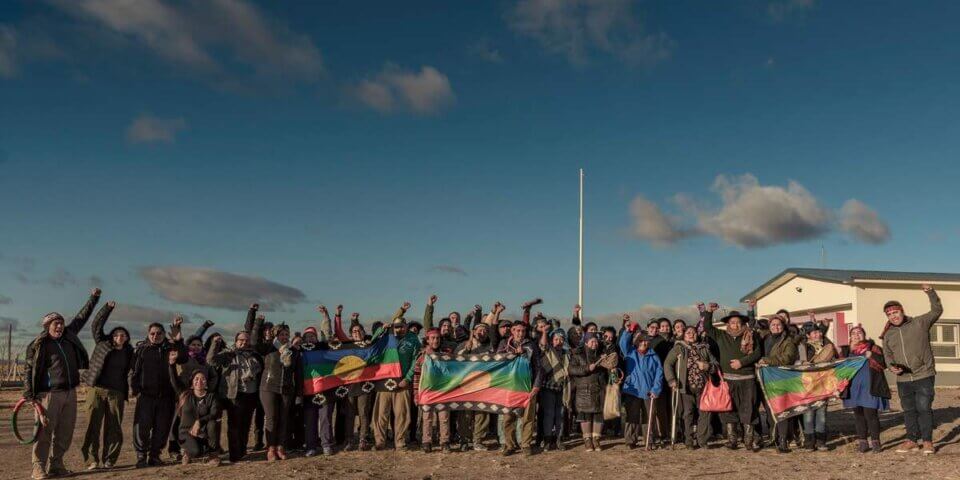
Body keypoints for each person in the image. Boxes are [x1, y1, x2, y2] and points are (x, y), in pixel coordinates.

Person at [24, 288, 100, 480]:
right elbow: (28, 370)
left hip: (70, 392)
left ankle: (56, 465)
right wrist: (29, 395)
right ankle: (38, 467)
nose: (59, 327)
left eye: (61, 323)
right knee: (43, 433)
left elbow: (82, 317)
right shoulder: (38, 345)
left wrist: (94, 298)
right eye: (56, 323)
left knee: (65, 433)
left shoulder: (69, 336)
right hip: (48, 395)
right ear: (47, 325)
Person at [880, 284, 942, 455]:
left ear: (901, 311)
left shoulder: (919, 323)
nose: (893, 316)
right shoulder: (888, 334)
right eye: (889, 314)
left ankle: (928, 442)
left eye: (895, 312)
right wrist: (893, 368)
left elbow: (937, 310)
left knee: (924, 408)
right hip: (903, 379)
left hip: (924, 374)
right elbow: (888, 355)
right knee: (909, 411)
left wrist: (930, 292)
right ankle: (912, 440)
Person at [81, 299, 132, 471]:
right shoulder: (102, 344)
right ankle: (92, 460)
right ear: (112, 336)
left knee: (114, 428)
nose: (119, 337)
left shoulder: (129, 352)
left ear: (127, 338)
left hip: (116, 393)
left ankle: (109, 459)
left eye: (123, 335)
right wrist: (107, 308)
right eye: (116, 334)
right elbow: (96, 325)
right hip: (96, 390)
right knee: (92, 426)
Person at [702, 304, 762, 451]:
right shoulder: (721, 335)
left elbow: (757, 353)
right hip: (728, 379)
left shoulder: (750, 335)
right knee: (728, 408)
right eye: (733, 322)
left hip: (747, 378)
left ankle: (748, 439)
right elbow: (708, 328)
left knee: (748, 408)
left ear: (743, 323)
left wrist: (742, 362)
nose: (736, 325)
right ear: (728, 324)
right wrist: (709, 312)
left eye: (738, 322)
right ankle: (732, 439)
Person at [130, 317, 187, 468]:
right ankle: (141, 456)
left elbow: (184, 358)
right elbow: (134, 372)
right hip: (146, 396)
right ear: (148, 334)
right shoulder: (142, 350)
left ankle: (155, 455)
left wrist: (179, 340)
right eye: (153, 333)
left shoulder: (170, 348)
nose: (156, 336)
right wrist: (135, 389)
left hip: (166, 396)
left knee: (162, 428)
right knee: (142, 427)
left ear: (164, 334)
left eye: (159, 333)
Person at [207, 317, 262, 464]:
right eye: (241, 340)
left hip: (251, 394)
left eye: (246, 340)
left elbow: (260, 369)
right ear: (236, 341)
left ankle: (242, 451)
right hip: (234, 395)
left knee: (246, 424)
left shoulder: (254, 355)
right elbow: (211, 361)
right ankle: (234, 455)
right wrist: (215, 344)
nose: (243, 342)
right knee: (234, 426)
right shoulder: (229, 354)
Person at [373, 302, 421, 451]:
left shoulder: (413, 339)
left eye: (402, 326)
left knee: (402, 414)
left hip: (402, 381)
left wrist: (407, 378)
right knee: (381, 413)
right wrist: (400, 312)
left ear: (406, 327)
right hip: (384, 382)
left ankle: (400, 441)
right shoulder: (386, 336)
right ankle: (380, 441)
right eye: (396, 326)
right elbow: (373, 339)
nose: (399, 329)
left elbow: (416, 360)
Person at [253, 318, 301, 461]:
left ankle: (281, 447)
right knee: (272, 418)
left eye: (287, 334)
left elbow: (298, 374)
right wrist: (257, 324)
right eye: (281, 334)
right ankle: (271, 448)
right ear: (276, 336)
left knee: (284, 419)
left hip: (286, 389)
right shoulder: (269, 347)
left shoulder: (293, 351)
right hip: (268, 387)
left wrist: (299, 394)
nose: (284, 337)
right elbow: (254, 342)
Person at [456, 304, 502, 451]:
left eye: (484, 330)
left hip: (484, 384)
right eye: (479, 330)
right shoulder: (464, 345)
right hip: (466, 385)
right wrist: (466, 349)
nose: (482, 332)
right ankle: (464, 439)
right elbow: (454, 362)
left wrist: (496, 313)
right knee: (465, 414)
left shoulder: (490, 346)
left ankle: (478, 440)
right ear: (474, 332)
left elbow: (494, 333)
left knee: (482, 413)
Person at [841, 325, 891, 454]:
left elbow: (884, 363)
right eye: (853, 333)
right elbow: (839, 369)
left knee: (871, 415)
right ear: (850, 337)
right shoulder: (846, 351)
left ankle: (875, 442)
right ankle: (862, 442)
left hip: (870, 387)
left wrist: (872, 355)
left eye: (859, 332)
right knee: (858, 416)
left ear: (864, 334)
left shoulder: (873, 348)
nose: (856, 335)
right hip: (853, 387)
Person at [664, 325, 716, 449]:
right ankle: (688, 441)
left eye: (693, 332)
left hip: (703, 387)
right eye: (688, 332)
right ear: (684, 334)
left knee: (705, 413)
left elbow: (715, 364)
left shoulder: (704, 348)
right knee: (688, 414)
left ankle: (702, 440)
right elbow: (668, 363)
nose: (691, 334)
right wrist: (671, 379)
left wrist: (708, 366)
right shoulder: (679, 348)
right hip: (685, 387)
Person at [497, 317, 542, 456]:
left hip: (527, 388)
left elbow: (538, 367)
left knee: (527, 418)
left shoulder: (531, 345)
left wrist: (536, 386)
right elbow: (497, 361)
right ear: (512, 331)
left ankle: (526, 444)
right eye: (517, 330)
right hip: (508, 388)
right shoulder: (504, 344)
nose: (520, 333)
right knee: (508, 418)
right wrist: (512, 354)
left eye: (523, 331)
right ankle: (509, 445)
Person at [168, 350, 221, 466]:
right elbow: (174, 380)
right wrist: (171, 364)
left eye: (203, 379)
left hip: (204, 432)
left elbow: (214, 413)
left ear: (206, 382)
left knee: (213, 423)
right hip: (186, 432)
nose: (200, 381)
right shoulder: (184, 394)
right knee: (196, 452)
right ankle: (187, 452)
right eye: (196, 379)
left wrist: (199, 422)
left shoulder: (211, 396)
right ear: (192, 383)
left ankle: (213, 455)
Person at [755, 316, 798, 453]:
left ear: (783, 326)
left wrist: (767, 360)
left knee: (782, 411)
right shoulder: (765, 339)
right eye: (773, 325)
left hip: (780, 379)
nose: (776, 327)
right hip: (765, 379)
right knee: (770, 412)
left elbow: (787, 358)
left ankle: (783, 440)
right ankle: (774, 438)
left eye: (778, 324)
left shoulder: (788, 341)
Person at [619, 324, 664, 450]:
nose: (644, 343)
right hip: (632, 390)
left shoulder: (653, 356)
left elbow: (659, 374)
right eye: (641, 340)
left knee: (648, 417)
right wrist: (627, 331)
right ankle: (630, 440)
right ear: (637, 342)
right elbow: (623, 343)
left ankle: (649, 440)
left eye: (646, 341)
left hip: (649, 392)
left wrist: (655, 389)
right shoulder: (630, 352)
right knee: (632, 416)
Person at [568, 332, 610, 451]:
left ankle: (596, 440)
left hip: (600, 389)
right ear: (586, 343)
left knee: (598, 415)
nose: (594, 344)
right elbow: (571, 370)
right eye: (592, 341)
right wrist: (587, 368)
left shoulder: (602, 355)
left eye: (596, 341)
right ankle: (587, 440)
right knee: (585, 415)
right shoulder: (577, 355)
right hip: (584, 390)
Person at [798, 320, 837, 451]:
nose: (817, 334)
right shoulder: (803, 346)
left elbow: (834, 360)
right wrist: (802, 363)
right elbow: (798, 362)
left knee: (822, 414)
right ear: (808, 335)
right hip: (808, 384)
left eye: (818, 332)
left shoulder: (828, 345)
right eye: (814, 332)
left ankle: (821, 441)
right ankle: (809, 442)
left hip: (824, 383)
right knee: (808, 415)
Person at [414, 328, 454, 452]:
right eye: (433, 338)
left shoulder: (447, 354)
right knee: (427, 418)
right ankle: (427, 442)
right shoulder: (422, 356)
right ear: (427, 340)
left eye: (437, 338)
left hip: (443, 391)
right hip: (427, 391)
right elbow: (416, 375)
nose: (435, 340)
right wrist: (416, 394)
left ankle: (444, 442)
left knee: (444, 417)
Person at [539, 326, 569, 451]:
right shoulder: (548, 350)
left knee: (560, 415)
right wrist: (545, 332)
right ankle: (547, 440)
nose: (559, 342)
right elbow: (542, 344)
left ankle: (558, 439)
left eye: (561, 339)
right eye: (556, 339)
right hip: (548, 387)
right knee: (549, 415)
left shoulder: (567, 354)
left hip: (562, 388)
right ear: (552, 341)